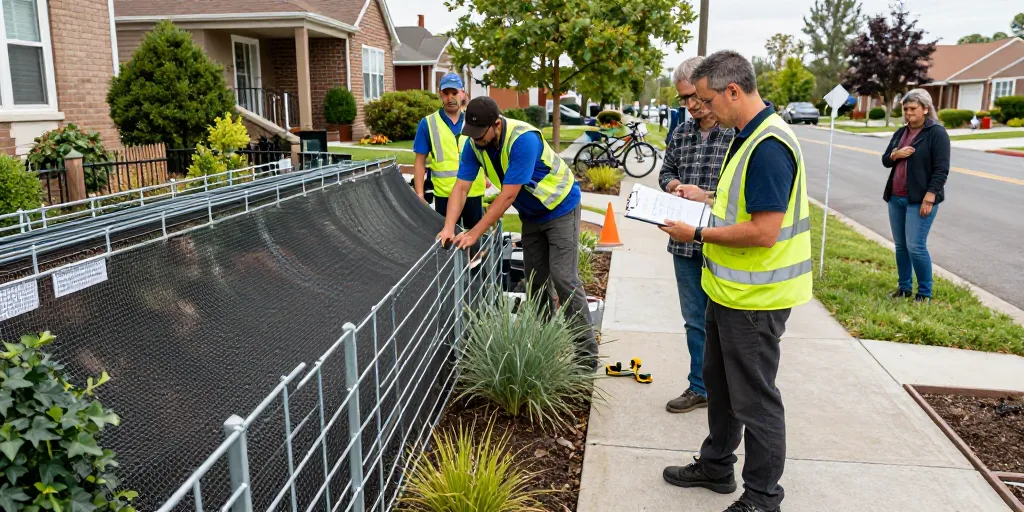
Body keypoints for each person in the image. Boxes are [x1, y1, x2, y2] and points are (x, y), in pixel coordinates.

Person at [659, 50, 812, 512]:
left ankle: (763, 497)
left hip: (756, 299)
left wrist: (697, 233)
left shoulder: (767, 145)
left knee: (755, 400)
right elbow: (741, 202)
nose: (703, 109)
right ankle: (716, 465)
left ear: (733, 90)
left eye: (707, 100)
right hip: (728, 291)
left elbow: (765, 231)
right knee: (721, 387)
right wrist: (702, 196)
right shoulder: (745, 137)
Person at [436, 96, 599, 369]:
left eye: (480, 134)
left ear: (496, 125)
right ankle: (544, 341)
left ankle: (586, 356)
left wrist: (474, 233)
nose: (475, 139)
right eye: (471, 134)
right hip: (532, 214)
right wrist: (449, 226)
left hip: (561, 208)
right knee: (535, 281)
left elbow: (508, 196)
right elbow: (461, 187)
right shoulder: (473, 145)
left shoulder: (523, 140)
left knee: (564, 278)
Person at [658, 55, 735, 415]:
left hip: (723, 241)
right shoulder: (681, 132)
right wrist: (674, 185)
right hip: (683, 242)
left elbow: (740, 194)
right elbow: (665, 171)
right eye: (683, 99)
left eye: (694, 97)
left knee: (725, 321)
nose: (690, 105)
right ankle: (699, 386)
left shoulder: (736, 132)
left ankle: (729, 389)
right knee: (694, 319)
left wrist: (703, 195)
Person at [881, 88, 949, 302]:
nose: (908, 113)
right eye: (906, 109)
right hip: (896, 197)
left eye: (913, 108)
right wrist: (896, 154)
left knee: (916, 246)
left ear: (925, 109)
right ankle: (904, 288)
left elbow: (941, 169)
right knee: (901, 246)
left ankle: (924, 293)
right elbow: (885, 160)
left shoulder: (936, 133)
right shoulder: (901, 133)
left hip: (920, 200)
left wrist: (929, 197)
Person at [413, 73, 487, 229]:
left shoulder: (474, 121)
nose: (450, 97)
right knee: (446, 242)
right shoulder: (428, 124)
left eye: (454, 93)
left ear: (463, 94)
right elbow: (420, 161)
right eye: (446, 93)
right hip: (444, 195)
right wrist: (419, 193)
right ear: (440, 94)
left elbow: (487, 153)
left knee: (475, 242)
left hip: (472, 192)